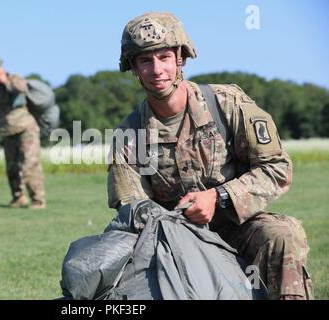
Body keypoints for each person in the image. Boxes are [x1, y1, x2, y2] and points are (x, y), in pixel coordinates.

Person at [107, 12, 313, 300]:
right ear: (133, 68)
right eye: (145, 60)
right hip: (175, 241)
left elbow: (276, 167)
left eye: (164, 57)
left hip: (238, 226)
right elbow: (132, 211)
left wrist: (219, 197)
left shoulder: (227, 104)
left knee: (281, 235)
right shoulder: (129, 136)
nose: (156, 69)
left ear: (181, 58)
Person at [0, 54, 46, 209]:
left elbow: (20, 88)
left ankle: (38, 199)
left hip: (25, 129)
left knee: (30, 165)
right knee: (12, 167)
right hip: (8, 131)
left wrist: (4, 80)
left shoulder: (15, 78)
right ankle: (18, 197)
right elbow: (0, 101)